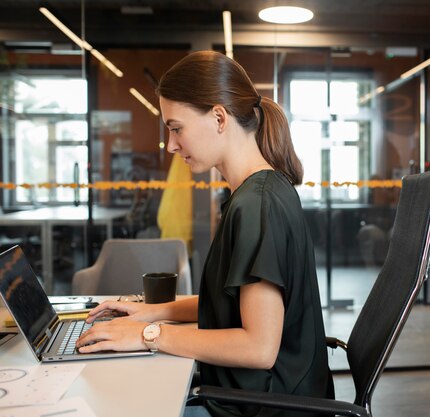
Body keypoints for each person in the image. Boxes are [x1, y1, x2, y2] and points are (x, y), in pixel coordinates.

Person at [76, 50, 334, 416]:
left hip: (261, 406)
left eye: (176, 128)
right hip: (251, 395)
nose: (171, 145)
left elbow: (259, 348)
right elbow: (230, 304)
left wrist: (149, 336)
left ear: (218, 117)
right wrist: (150, 312)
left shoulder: (256, 206)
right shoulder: (254, 194)